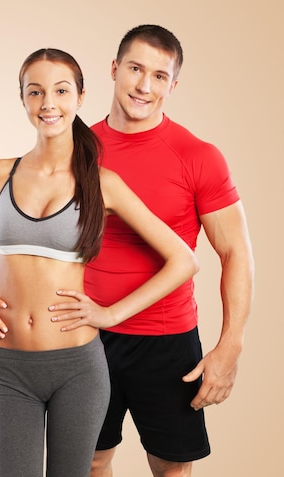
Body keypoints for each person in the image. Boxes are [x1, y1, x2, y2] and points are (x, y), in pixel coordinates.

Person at [0, 47, 199, 477]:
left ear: (80, 97)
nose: (48, 103)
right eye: (36, 92)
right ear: (23, 99)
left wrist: (111, 313)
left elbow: (183, 259)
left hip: (77, 367)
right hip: (7, 367)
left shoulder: (103, 184)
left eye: (61, 91)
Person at [48, 25, 255, 476]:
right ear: (114, 69)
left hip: (166, 342)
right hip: (84, 336)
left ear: (173, 85)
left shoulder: (198, 156)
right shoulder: (74, 149)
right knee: (88, 461)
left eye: (160, 76)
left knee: (171, 467)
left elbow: (235, 251)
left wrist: (230, 347)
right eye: (136, 69)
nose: (144, 86)